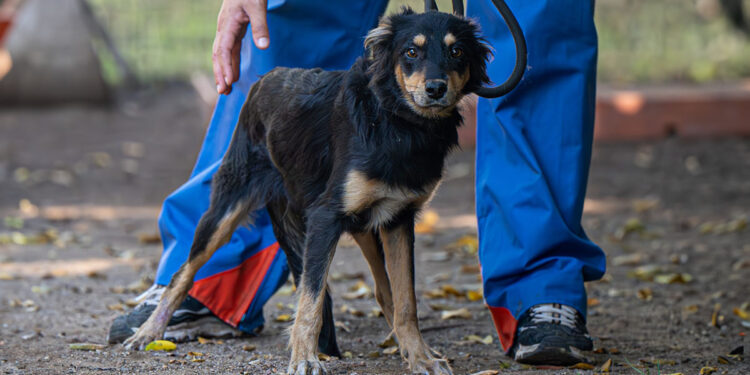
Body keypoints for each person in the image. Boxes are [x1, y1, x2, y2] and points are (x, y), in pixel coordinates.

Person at [109, 0, 605, 366]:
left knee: (539, 25)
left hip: (397, 159)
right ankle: (212, 281)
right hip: (303, 134)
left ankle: (540, 287)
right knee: (289, 21)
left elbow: (387, 219)